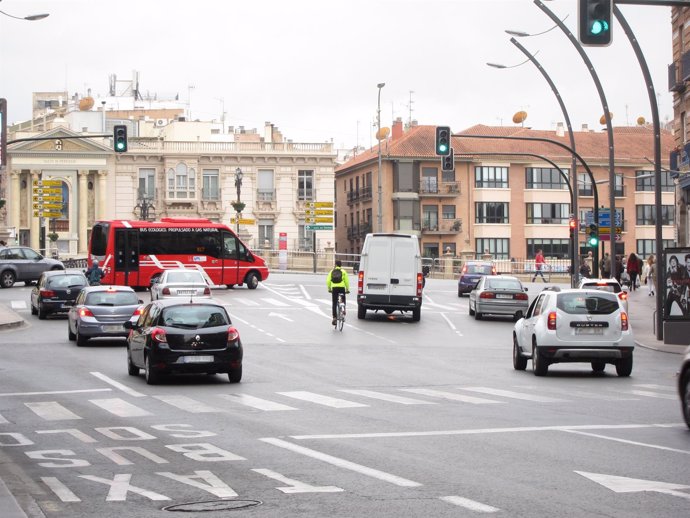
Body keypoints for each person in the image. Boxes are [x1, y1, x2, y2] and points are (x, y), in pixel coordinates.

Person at [327, 260, 350, 326]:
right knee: (343, 299)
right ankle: (343, 309)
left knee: (334, 303)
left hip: (334, 288)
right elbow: (346, 281)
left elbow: (328, 281)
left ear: (336, 265)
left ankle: (334, 317)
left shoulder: (332, 271)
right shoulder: (343, 271)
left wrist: (329, 288)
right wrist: (347, 289)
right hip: (342, 288)